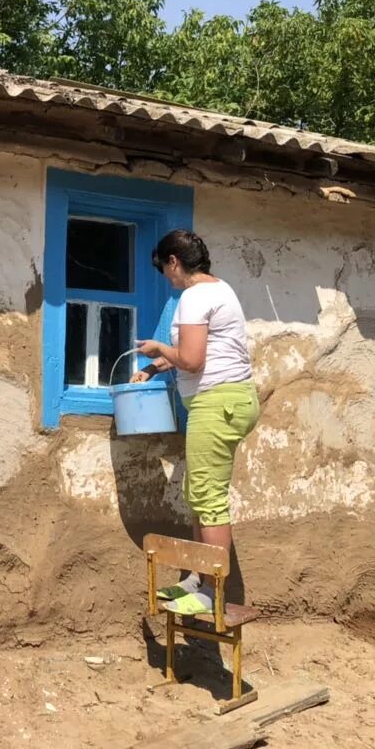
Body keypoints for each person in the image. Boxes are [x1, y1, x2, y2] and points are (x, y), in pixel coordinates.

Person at [133, 229, 259, 616]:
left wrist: (158, 347)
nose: (167, 279)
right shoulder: (219, 290)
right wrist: (155, 367)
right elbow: (198, 351)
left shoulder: (194, 295)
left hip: (216, 402)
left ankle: (211, 591)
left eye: (166, 269)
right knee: (197, 491)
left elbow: (192, 360)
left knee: (209, 497)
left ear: (175, 262)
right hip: (227, 400)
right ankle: (196, 578)